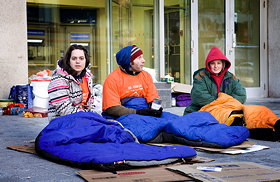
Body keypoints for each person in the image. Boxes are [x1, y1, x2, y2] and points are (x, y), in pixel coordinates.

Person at [102, 45, 162, 118]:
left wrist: (156, 108)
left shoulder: (146, 75)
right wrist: (139, 112)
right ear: (129, 61)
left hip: (144, 111)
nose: (144, 61)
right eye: (139, 58)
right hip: (124, 115)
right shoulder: (112, 79)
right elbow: (113, 109)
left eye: (142, 57)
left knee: (172, 120)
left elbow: (152, 97)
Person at [183, 46, 246, 115]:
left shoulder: (231, 77)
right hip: (202, 109)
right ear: (208, 65)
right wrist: (223, 102)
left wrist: (224, 105)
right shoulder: (200, 77)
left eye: (219, 63)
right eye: (213, 63)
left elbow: (241, 95)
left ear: (223, 64)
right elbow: (200, 97)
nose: (216, 66)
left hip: (226, 110)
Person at [48, 44, 102, 121]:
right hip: (62, 122)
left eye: (81, 58)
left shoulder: (86, 78)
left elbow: (90, 105)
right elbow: (65, 110)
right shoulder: (58, 79)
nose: (78, 61)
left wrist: (97, 117)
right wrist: (88, 117)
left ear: (86, 60)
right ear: (68, 61)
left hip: (83, 118)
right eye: (74, 58)